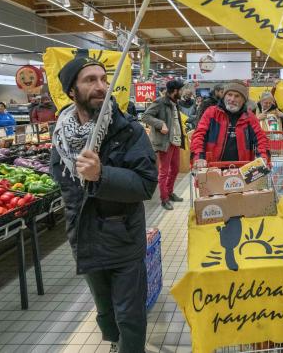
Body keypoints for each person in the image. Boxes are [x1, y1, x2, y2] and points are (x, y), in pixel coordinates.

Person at [50, 56, 157, 353]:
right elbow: (59, 175)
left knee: (129, 312)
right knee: (104, 308)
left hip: (122, 236)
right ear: (72, 90)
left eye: (103, 79)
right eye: (90, 80)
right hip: (84, 235)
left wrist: (102, 175)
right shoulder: (61, 134)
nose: (101, 86)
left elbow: (146, 184)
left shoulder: (127, 130)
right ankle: (114, 343)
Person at [191, 80, 270, 168]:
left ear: (243, 100)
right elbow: (199, 135)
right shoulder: (211, 112)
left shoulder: (250, 117)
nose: (232, 99)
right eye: (229, 95)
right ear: (224, 96)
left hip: (242, 171)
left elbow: (261, 138)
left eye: (237, 96)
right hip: (213, 168)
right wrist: (199, 157)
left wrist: (262, 156)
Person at [142, 80, 186, 211]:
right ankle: (164, 199)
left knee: (175, 169)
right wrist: (160, 124)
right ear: (175, 91)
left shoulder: (174, 103)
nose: (182, 92)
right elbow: (145, 116)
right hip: (165, 142)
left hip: (175, 141)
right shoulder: (160, 102)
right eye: (181, 90)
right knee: (164, 172)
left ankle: (170, 192)